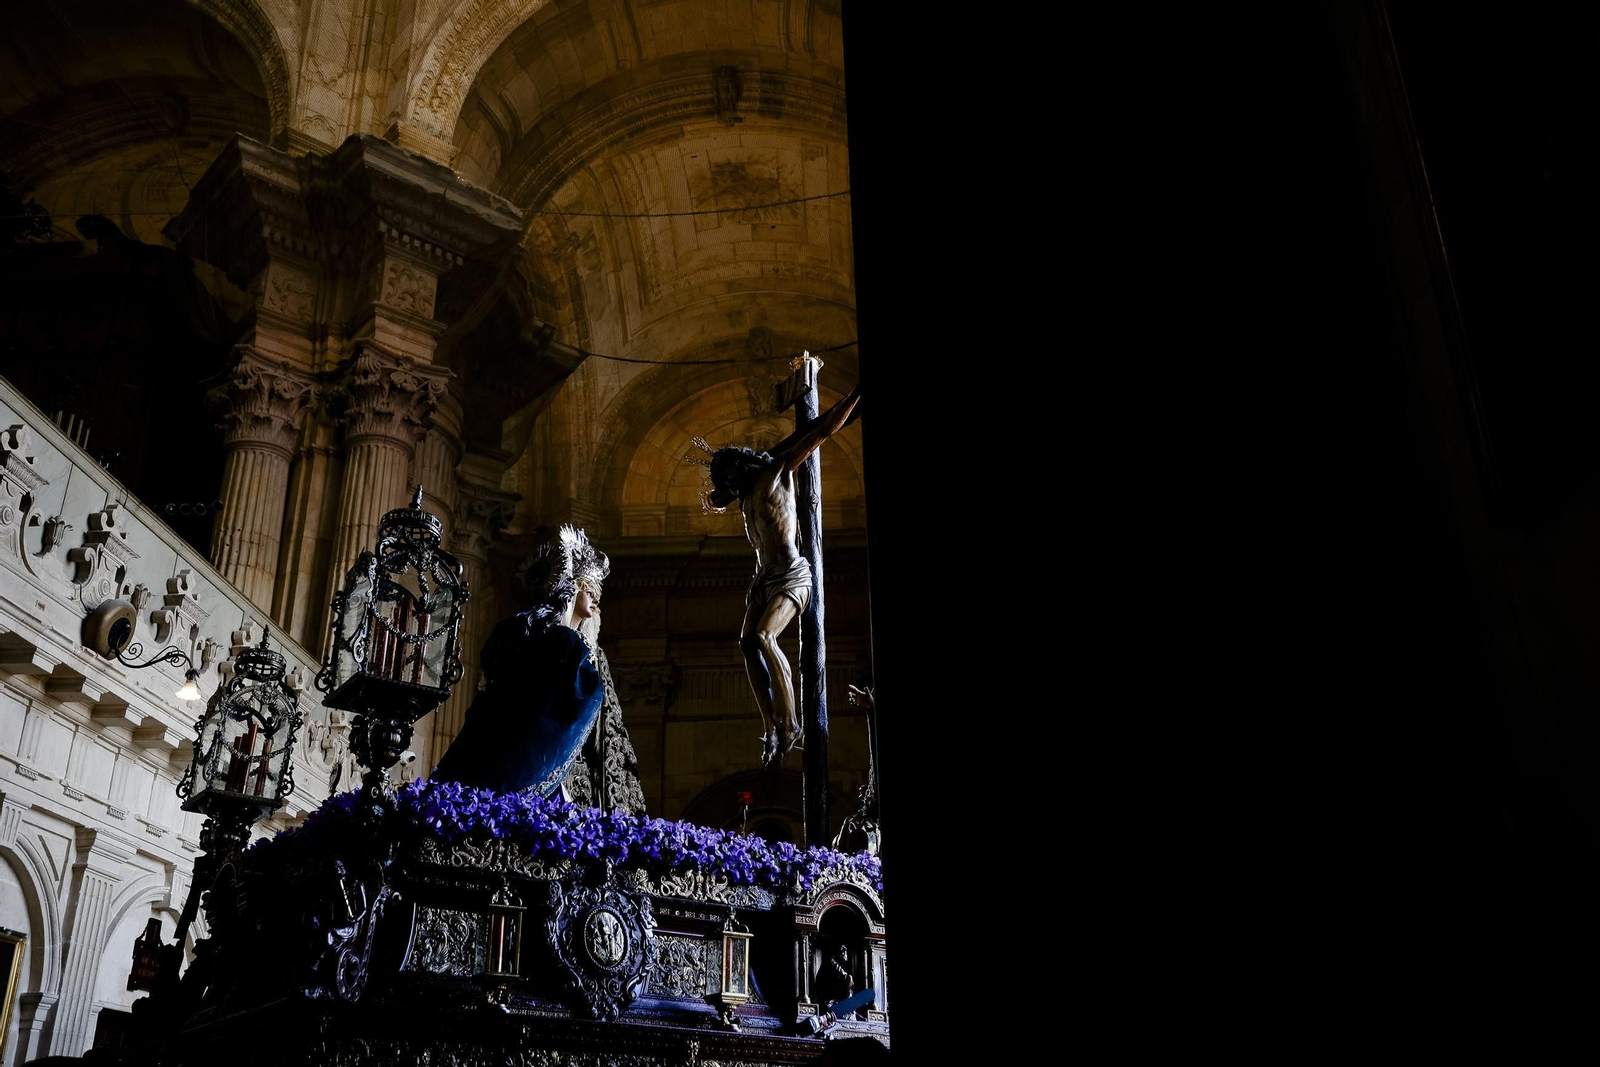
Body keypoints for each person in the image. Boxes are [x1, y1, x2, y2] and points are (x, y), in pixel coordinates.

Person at [694, 380, 861, 769]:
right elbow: (716, 497)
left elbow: (819, 431)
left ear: (743, 467)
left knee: (766, 637)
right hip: (762, 580)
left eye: (732, 475)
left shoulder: (775, 472)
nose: (729, 485)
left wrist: (854, 396)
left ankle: (791, 725)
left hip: (790, 573)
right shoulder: (745, 498)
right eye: (726, 480)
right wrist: (724, 470)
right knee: (746, 643)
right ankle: (770, 725)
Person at [430, 526, 609, 797]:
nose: (596, 596)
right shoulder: (560, 641)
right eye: (589, 587)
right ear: (571, 589)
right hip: (516, 757)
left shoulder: (563, 641)